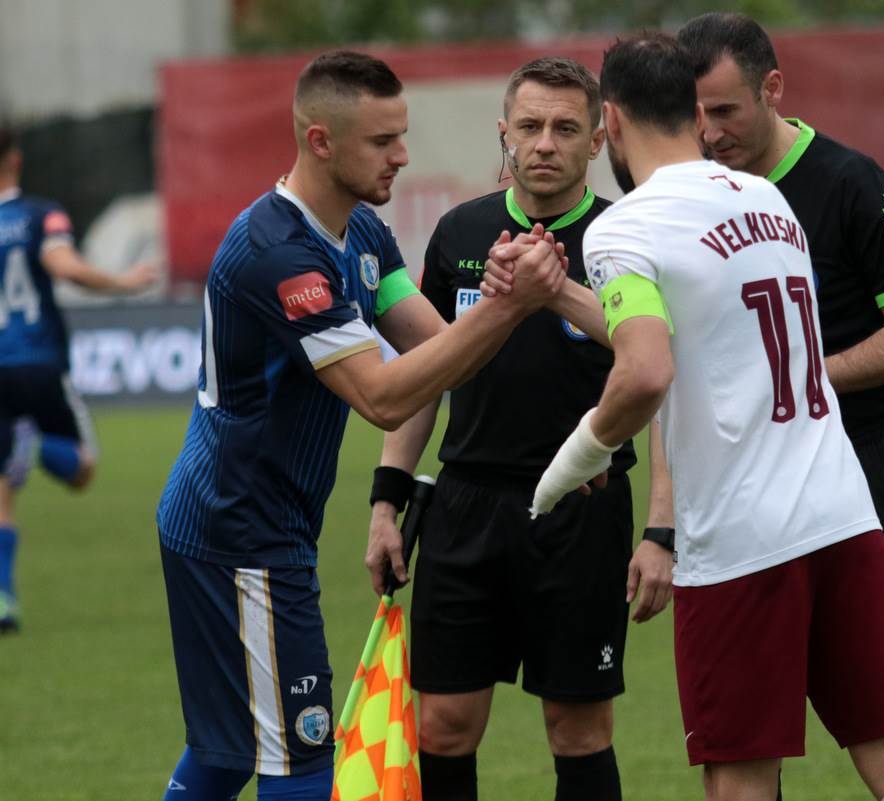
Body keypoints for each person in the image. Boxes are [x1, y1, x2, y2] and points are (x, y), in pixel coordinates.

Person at [525, 32, 884, 801]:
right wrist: (559, 295)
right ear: (691, 110)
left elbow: (647, 369)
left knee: (740, 777)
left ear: (611, 122)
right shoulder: (768, 198)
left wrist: (571, 466)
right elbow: (698, 340)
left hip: (745, 541)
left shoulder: (623, 228)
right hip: (844, 514)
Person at [154, 50, 565, 801]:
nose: (402, 156)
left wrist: (499, 296)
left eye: (401, 136)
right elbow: (380, 396)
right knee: (304, 759)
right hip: (241, 533)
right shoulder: (280, 255)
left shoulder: (364, 235)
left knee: (224, 752)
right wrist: (509, 307)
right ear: (320, 141)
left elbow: (439, 352)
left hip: (237, 523)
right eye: (383, 141)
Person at [365, 56, 664, 801]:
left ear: (598, 140)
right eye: (529, 126)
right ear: (504, 133)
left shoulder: (623, 237)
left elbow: (661, 372)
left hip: (581, 510)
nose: (545, 143)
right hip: (465, 507)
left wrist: (661, 531)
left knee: (577, 729)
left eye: (566, 128)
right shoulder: (461, 232)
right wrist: (385, 500)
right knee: (444, 725)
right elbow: (423, 376)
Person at [675, 12, 884, 783]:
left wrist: (797, 372)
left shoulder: (850, 182)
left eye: (726, 111)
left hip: (855, 471)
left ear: (773, 89)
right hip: (740, 487)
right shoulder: (699, 195)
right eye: (695, 115)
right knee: (746, 739)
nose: (711, 132)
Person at [0, 124, 158, 632]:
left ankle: (3, 596)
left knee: (2, 482)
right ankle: (36, 445)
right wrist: (121, 282)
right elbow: (61, 264)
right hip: (41, 363)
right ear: (16, 159)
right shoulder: (39, 214)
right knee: (83, 468)